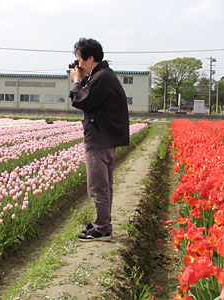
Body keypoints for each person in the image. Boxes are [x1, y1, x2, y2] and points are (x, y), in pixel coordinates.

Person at [69, 38, 129, 242]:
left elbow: (81, 100)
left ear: (90, 57)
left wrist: (77, 82)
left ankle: (102, 228)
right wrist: (84, 79)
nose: (79, 65)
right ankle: (102, 223)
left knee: (98, 186)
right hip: (105, 138)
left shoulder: (102, 77)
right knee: (104, 185)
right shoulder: (103, 75)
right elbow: (91, 95)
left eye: (79, 59)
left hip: (99, 139)